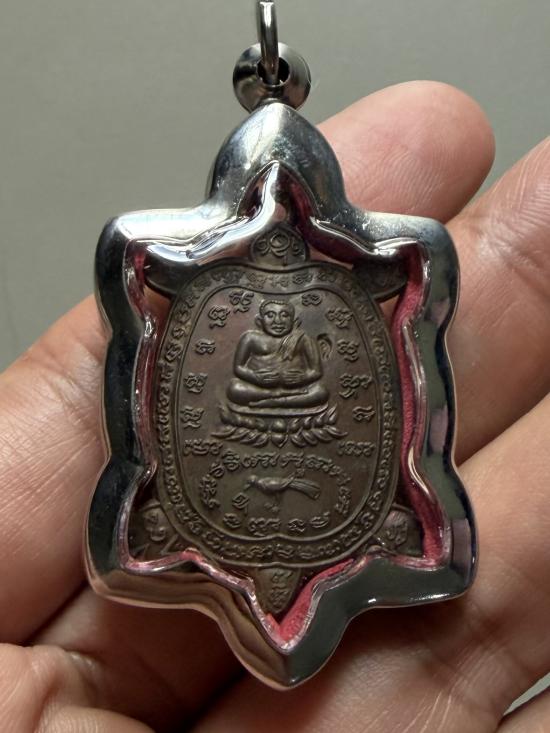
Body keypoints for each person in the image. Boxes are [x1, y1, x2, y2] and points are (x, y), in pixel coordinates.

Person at [1, 81, 549, 732]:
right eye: (275, 317)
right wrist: (265, 378)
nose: (281, 320)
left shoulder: (341, 305)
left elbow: (311, 377)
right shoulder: (244, 325)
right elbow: (241, 377)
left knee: (312, 396)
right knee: (242, 395)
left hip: (300, 409)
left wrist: (295, 377)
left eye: (287, 316)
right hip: (251, 408)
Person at [227, 299, 328, 410]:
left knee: (321, 390)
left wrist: (303, 378)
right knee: (234, 388)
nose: (278, 321)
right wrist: (255, 377)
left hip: (297, 389)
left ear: (294, 321)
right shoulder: (250, 338)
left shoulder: (303, 339)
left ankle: (275, 402)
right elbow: (238, 367)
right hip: (259, 389)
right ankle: (275, 396)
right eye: (270, 315)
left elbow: (316, 371)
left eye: (284, 315)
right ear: (259, 321)